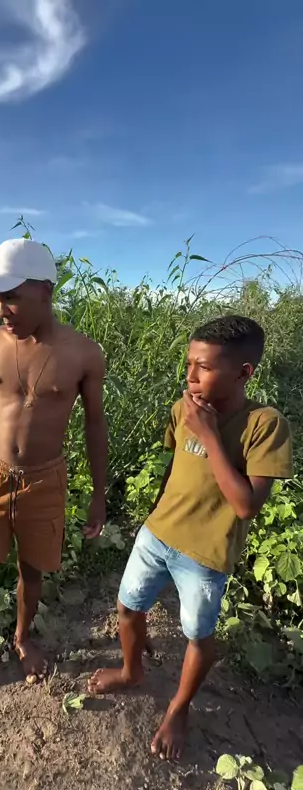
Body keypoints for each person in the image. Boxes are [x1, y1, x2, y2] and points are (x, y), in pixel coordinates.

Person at [89, 315, 293, 760]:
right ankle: (131, 671)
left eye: (204, 366)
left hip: (205, 554)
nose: (191, 375)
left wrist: (209, 435)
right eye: (189, 364)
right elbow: (175, 468)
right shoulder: (183, 409)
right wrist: (154, 514)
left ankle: (178, 709)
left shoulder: (264, 424)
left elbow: (246, 505)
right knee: (128, 607)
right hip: (157, 533)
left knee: (198, 635)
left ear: (243, 372)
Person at [0, 238, 107, 715]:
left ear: (45, 291)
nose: (1, 309)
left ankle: (22, 638)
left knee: (32, 570)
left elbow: (95, 424)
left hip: (44, 480)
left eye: (11, 296)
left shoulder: (84, 354)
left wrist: (99, 494)